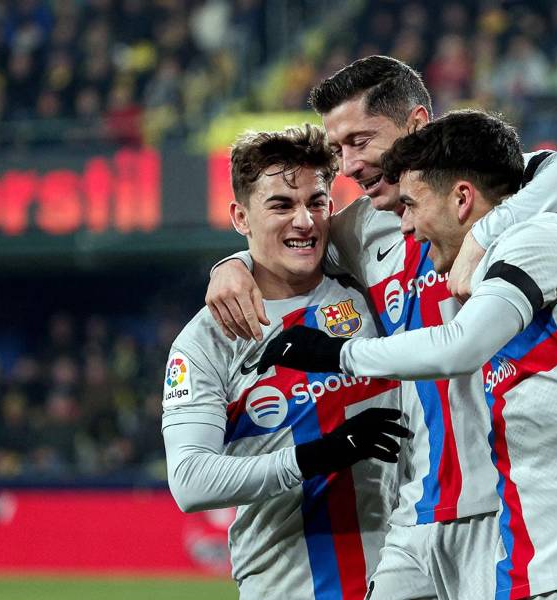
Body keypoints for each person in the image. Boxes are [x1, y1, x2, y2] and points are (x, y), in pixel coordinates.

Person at [206, 56, 557, 599]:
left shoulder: (482, 193)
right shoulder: (357, 231)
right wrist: (230, 266)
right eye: (339, 149)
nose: (349, 165)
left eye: (361, 140)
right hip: (417, 509)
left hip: (504, 502)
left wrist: (491, 229)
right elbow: (286, 240)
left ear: (415, 123)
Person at [259, 110, 557, 600]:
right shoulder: (495, 263)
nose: (406, 226)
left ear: (462, 198)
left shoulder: (539, 239)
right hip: (549, 555)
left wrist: (338, 353)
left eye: (412, 205)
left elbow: (461, 345)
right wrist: (237, 265)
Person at [161, 124, 409, 600]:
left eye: (316, 202)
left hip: (407, 574)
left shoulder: (367, 282)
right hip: (286, 585)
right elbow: (191, 482)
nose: (304, 221)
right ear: (240, 217)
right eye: (280, 205)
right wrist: (322, 455)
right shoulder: (205, 340)